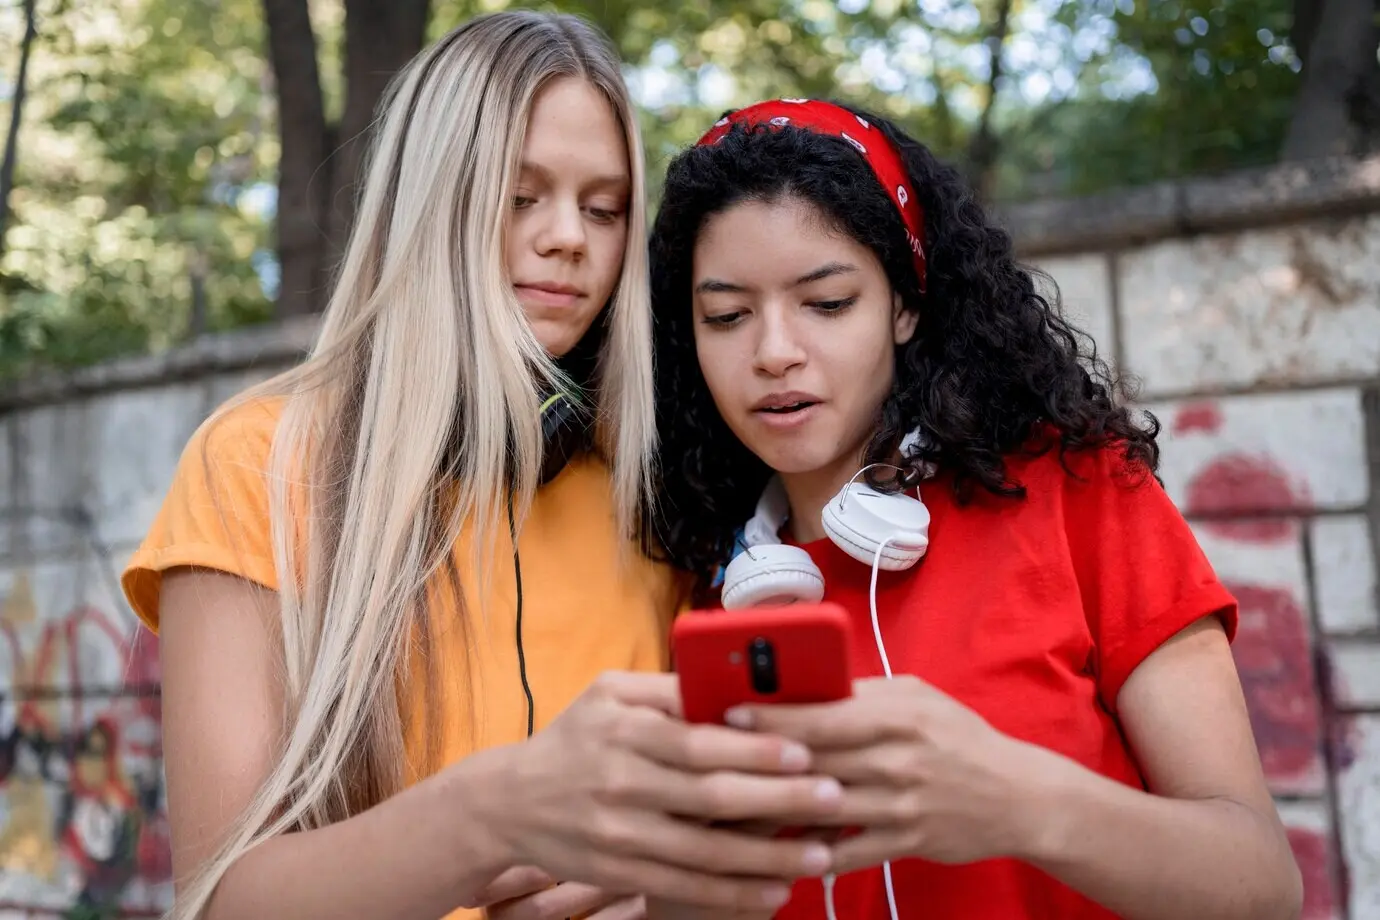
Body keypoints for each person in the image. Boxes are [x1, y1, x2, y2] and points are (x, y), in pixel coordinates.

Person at [119, 25, 850, 920]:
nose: (568, 238)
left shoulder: (655, 480)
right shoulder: (257, 463)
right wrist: (494, 811)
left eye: (605, 208)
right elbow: (222, 902)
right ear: (431, 200)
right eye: (520, 195)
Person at [645, 98, 1304, 920]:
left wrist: (1017, 801)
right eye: (727, 316)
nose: (774, 352)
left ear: (905, 305)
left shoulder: (1080, 489)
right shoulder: (691, 581)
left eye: (828, 302)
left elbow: (1263, 886)